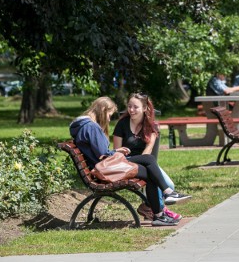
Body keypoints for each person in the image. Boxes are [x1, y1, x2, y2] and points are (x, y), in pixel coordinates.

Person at [70, 97, 183, 226]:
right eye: (109, 114)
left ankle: (161, 210)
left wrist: (116, 152)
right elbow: (103, 154)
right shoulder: (91, 127)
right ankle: (165, 201)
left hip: (106, 166)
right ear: (102, 110)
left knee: (149, 167)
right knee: (149, 160)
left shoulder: (86, 126)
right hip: (106, 168)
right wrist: (117, 152)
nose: (108, 119)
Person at [113, 93, 191, 221]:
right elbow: (117, 152)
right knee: (152, 165)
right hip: (125, 162)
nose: (131, 110)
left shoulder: (151, 126)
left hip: (143, 162)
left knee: (168, 183)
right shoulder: (122, 124)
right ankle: (166, 201)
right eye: (129, 106)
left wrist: (144, 164)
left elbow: (147, 151)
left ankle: (154, 210)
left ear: (144, 108)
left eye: (135, 107)